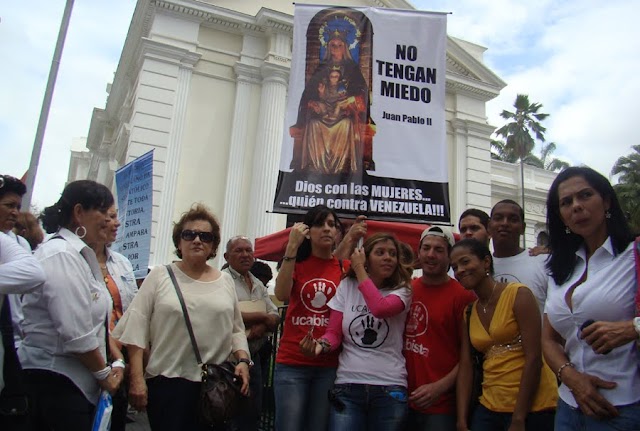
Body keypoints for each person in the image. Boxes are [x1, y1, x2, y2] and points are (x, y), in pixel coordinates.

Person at [113, 203, 250, 431]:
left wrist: (244, 360)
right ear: (179, 242)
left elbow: (236, 328)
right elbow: (136, 328)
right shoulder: (160, 276)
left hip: (215, 385)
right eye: (189, 234)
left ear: (213, 245)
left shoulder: (225, 281)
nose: (197, 240)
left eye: (205, 236)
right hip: (168, 383)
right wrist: (137, 379)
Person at [19, 180, 123, 430]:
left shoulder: (80, 256)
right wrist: (104, 375)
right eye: (102, 212)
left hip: (73, 387)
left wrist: (116, 360)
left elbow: (96, 322)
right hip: (54, 384)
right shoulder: (62, 255)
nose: (110, 222)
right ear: (78, 213)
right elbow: (75, 332)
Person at [542, 166, 640, 430]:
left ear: (606, 200)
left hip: (624, 408)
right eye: (566, 202)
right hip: (568, 406)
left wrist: (632, 328)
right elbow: (548, 339)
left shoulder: (634, 255)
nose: (576, 206)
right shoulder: (559, 267)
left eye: (585, 195)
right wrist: (571, 378)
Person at [300, 233, 412, 431]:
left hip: (390, 387)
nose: (388, 257)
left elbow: (380, 308)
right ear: (366, 256)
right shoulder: (347, 286)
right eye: (380, 252)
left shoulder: (402, 290)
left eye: (393, 254)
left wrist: (359, 268)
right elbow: (333, 334)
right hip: (349, 385)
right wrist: (319, 346)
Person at [273, 205, 366, 431]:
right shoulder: (297, 263)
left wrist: (354, 236)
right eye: (319, 224)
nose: (326, 229)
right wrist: (292, 247)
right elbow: (282, 294)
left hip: (329, 364)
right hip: (292, 362)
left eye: (332, 225)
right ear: (308, 231)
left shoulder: (344, 268)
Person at [451, 238, 557, 431]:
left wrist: (518, 418)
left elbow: (534, 357)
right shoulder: (469, 312)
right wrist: (461, 419)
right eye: (455, 266)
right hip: (490, 406)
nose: (460, 270)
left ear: (485, 262)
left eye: (465, 262)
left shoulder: (519, 295)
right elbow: (466, 366)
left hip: (533, 407)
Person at [404, 226, 476, 430]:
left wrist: (440, 387)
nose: (430, 255)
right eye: (426, 248)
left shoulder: (463, 296)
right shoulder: (407, 289)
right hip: (401, 400)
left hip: (440, 406)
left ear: (449, 256)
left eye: (438, 250)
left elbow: (469, 354)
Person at [292, 26, 370, 174]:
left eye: (340, 46)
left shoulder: (352, 69)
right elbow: (309, 94)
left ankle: (343, 164)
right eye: (333, 46)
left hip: (344, 115)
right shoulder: (322, 68)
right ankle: (315, 165)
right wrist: (314, 103)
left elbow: (362, 93)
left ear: (345, 47)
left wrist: (351, 100)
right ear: (328, 48)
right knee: (314, 125)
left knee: (346, 125)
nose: (336, 49)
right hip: (322, 114)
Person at [88, 204, 138, 431]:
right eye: (110, 217)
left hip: (121, 357)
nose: (117, 223)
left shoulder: (122, 263)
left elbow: (133, 308)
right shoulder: (74, 260)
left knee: (114, 418)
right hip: (91, 355)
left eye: (116, 217)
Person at [223, 235, 280, 431]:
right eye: (239, 250)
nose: (245, 255)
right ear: (226, 256)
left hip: (253, 358)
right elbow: (228, 312)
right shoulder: (222, 280)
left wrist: (263, 326)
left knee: (251, 413)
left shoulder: (256, 282)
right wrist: (262, 317)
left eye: (248, 250)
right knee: (226, 412)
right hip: (227, 360)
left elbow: (274, 314)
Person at [0, 231, 45, 430]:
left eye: (16, 206)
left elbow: (34, 273)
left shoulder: (10, 242)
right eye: (9, 205)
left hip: (12, 339)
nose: (14, 212)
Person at [488, 200, 548, 313]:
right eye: (498, 218)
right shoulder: (481, 267)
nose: (505, 223)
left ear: (523, 228)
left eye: (513, 219)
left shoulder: (542, 262)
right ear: (489, 226)